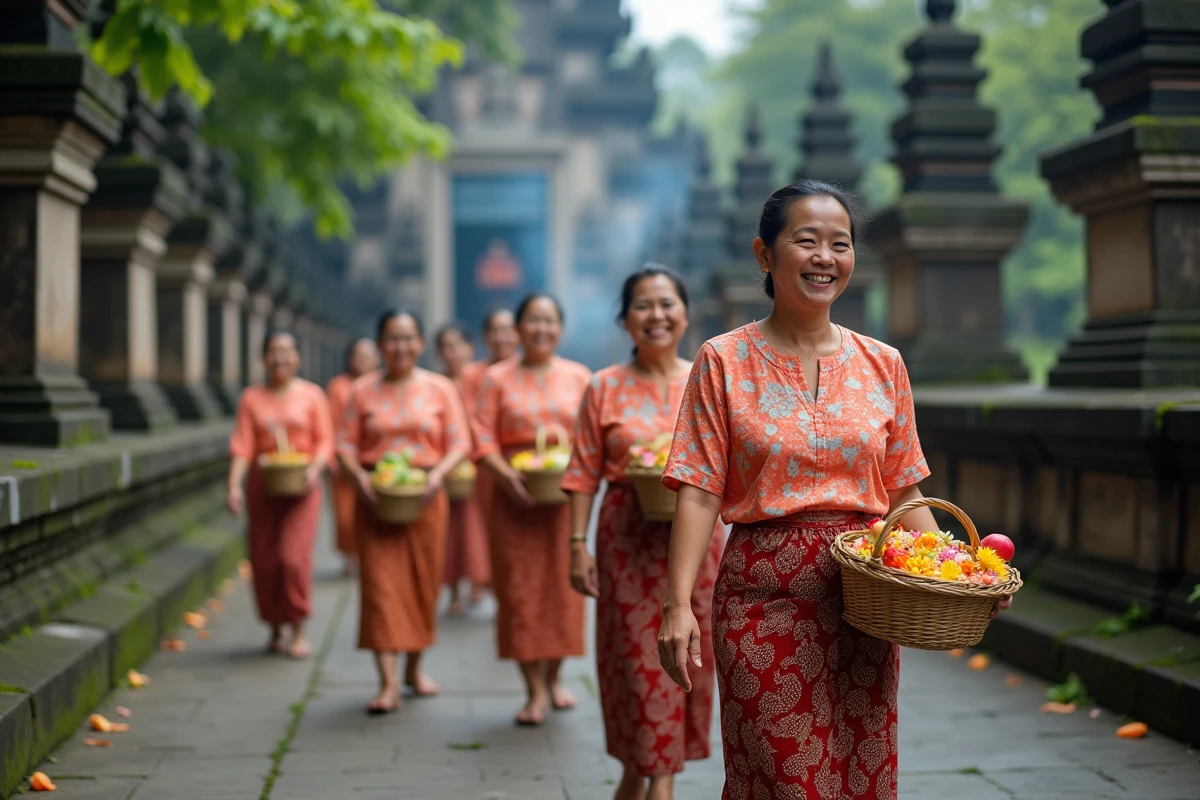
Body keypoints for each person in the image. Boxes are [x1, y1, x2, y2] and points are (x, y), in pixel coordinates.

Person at [656, 180, 1013, 800]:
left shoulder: (884, 364)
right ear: (764, 255)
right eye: (806, 241)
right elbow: (699, 489)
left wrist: (956, 579)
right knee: (786, 780)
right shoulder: (721, 360)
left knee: (859, 775)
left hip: (864, 598)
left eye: (840, 244)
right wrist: (677, 603)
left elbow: (904, 491)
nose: (826, 257)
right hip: (761, 601)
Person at [563, 267, 724, 800]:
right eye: (642, 305)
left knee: (688, 663)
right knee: (638, 669)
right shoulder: (602, 386)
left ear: (685, 313)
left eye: (666, 304)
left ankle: (654, 778)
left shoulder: (708, 375)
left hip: (698, 547)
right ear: (625, 319)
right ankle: (653, 780)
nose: (656, 315)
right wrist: (576, 544)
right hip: (626, 542)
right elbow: (583, 472)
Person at [337, 310, 471, 714]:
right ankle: (388, 683)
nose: (401, 347)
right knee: (380, 588)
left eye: (408, 338)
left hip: (426, 499)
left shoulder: (440, 388)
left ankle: (414, 668)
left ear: (421, 344)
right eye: (392, 338)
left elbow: (459, 442)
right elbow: (343, 445)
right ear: (379, 344)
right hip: (377, 499)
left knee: (423, 585)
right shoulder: (362, 390)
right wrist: (359, 478)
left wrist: (437, 477)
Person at [471, 294, 591, 727]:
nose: (541, 328)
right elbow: (481, 439)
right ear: (518, 328)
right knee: (519, 592)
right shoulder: (496, 379)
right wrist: (506, 477)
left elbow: (592, 439)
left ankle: (556, 677)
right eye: (532, 321)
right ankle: (533, 689)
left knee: (562, 592)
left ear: (560, 327)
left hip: (563, 503)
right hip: (514, 499)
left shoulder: (579, 377)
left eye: (549, 320)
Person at [227, 330, 333, 659]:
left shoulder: (312, 396)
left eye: (287, 352)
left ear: (298, 358)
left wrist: (315, 469)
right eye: (273, 352)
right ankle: (275, 625)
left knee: (292, 558)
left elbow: (325, 440)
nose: (280, 359)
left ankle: (298, 625)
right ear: (263, 358)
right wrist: (233, 484)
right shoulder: (251, 398)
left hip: (302, 486)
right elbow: (243, 444)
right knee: (265, 560)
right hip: (264, 486)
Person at [434, 322, 490, 615]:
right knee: (450, 529)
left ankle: (478, 581)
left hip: (477, 464)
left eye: (458, 345)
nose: (453, 353)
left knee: (475, 528)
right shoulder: (435, 385)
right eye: (446, 347)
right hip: (445, 466)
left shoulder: (481, 380)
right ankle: (453, 587)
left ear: (470, 349)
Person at [325, 338, 380, 576]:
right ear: (349, 359)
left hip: (373, 461)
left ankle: (369, 556)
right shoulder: (338, 387)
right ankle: (350, 557)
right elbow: (329, 424)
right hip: (343, 461)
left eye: (368, 356)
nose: (363, 361)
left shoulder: (380, 385)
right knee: (345, 515)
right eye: (359, 356)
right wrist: (332, 458)